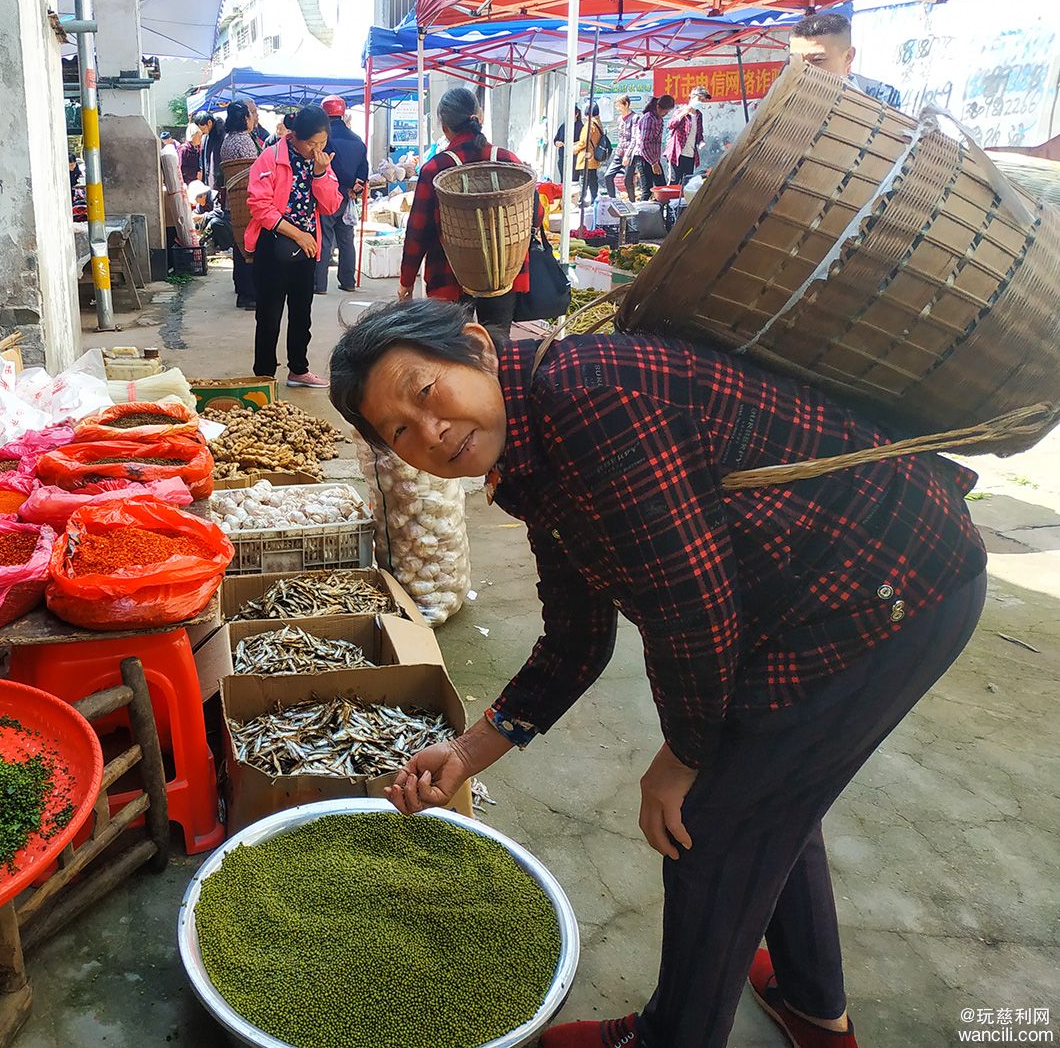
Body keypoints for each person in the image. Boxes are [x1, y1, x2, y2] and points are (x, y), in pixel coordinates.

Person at [327, 299, 987, 1048]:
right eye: (401, 431)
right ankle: (811, 1004)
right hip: (816, 595)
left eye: (424, 392)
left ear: (476, 347)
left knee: (707, 821)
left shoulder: (589, 401)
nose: (431, 432)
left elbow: (694, 612)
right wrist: (468, 752)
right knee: (767, 792)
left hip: (894, 586)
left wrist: (680, 758)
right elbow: (576, 639)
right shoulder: (530, 454)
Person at [397, 87, 533, 345]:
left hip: (449, 276)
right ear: (478, 118)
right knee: (496, 349)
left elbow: (418, 231)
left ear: (444, 126)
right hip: (502, 273)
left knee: (453, 352)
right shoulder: (507, 160)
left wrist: (406, 279)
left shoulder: (436, 168)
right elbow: (533, 215)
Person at [244, 105, 341, 388]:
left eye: (322, 143)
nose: (316, 149)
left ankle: (299, 369)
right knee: (269, 314)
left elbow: (331, 205)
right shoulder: (271, 158)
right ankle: (263, 375)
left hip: (308, 246)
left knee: (302, 311)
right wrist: (297, 234)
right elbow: (259, 206)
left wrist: (321, 174)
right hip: (274, 245)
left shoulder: (321, 161)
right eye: (311, 143)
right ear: (295, 135)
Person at [210, 100, 267, 310]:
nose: (254, 119)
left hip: (235, 200)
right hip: (247, 200)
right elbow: (257, 171)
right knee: (249, 247)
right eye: (252, 115)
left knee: (240, 245)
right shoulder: (244, 141)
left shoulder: (227, 140)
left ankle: (243, 290)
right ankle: (250, 294)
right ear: (245, 118)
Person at [788, 11, 903, 108]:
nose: (804, 69)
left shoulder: (881, 97)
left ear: (848, 56)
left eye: (818, 60)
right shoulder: (785, 98)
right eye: (796, 61)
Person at [314, 95, 368, 295]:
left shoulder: (324, 140)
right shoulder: (357, 141)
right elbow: (364, 169)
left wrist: (346, 184)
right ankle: (348, 281)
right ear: (342, 113)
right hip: (349, 198)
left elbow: (330, 164)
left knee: (325, 239)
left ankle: (319, 284)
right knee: (346, 240)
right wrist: (356, 187)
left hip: (327, 193)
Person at [632, 94, 675, 201]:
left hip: (654, 159)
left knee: (662, 188)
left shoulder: (659, 119)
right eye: (665, 111)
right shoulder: (649, 119)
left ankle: (662, 215)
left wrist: (655, 161)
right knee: (647, 190)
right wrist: (653, 163)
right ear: (658, 107)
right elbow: (644, 144)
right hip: (644, 158)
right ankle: (641, 215)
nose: (666, 114)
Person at [667, 86, 709, 186]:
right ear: (692, 97)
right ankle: (670, 201)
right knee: (674, 181)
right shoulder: (681, 111)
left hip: (690, 155)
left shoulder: (698, 115)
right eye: (700, 99)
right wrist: (682, 114)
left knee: (686, 183)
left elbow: (699, 133)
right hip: (677, 153)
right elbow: (670, 125)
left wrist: (701, 142)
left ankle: (681, 201)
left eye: (703, 100)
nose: (701, 102)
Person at [573, 102, 605, 210]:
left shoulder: (589, 125)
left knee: (584, 181)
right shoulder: (598, 124)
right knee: (593, 181)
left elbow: (583, 142)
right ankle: (594, 200)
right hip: (593, 157)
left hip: (586, 157)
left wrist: (574, 149)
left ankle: (580, 202)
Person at [606, 95, 636, 201]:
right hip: (619, 152)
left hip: (630, 154)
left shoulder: (635, 118)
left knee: (628, 181)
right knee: (608, 176)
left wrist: (627, 155)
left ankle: (633, 203)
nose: (617, 109)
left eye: (619, 106)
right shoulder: (620, 119)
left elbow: (634, 138)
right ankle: (612, 201)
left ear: (626, 104)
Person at [180, 110, 213, 184]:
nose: (201, 137)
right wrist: (195, 174)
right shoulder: (184, 149)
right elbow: (182, 168)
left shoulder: (197, 148)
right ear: (192, 136)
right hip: (188, 182)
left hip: (197, 180)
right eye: (199, 135)